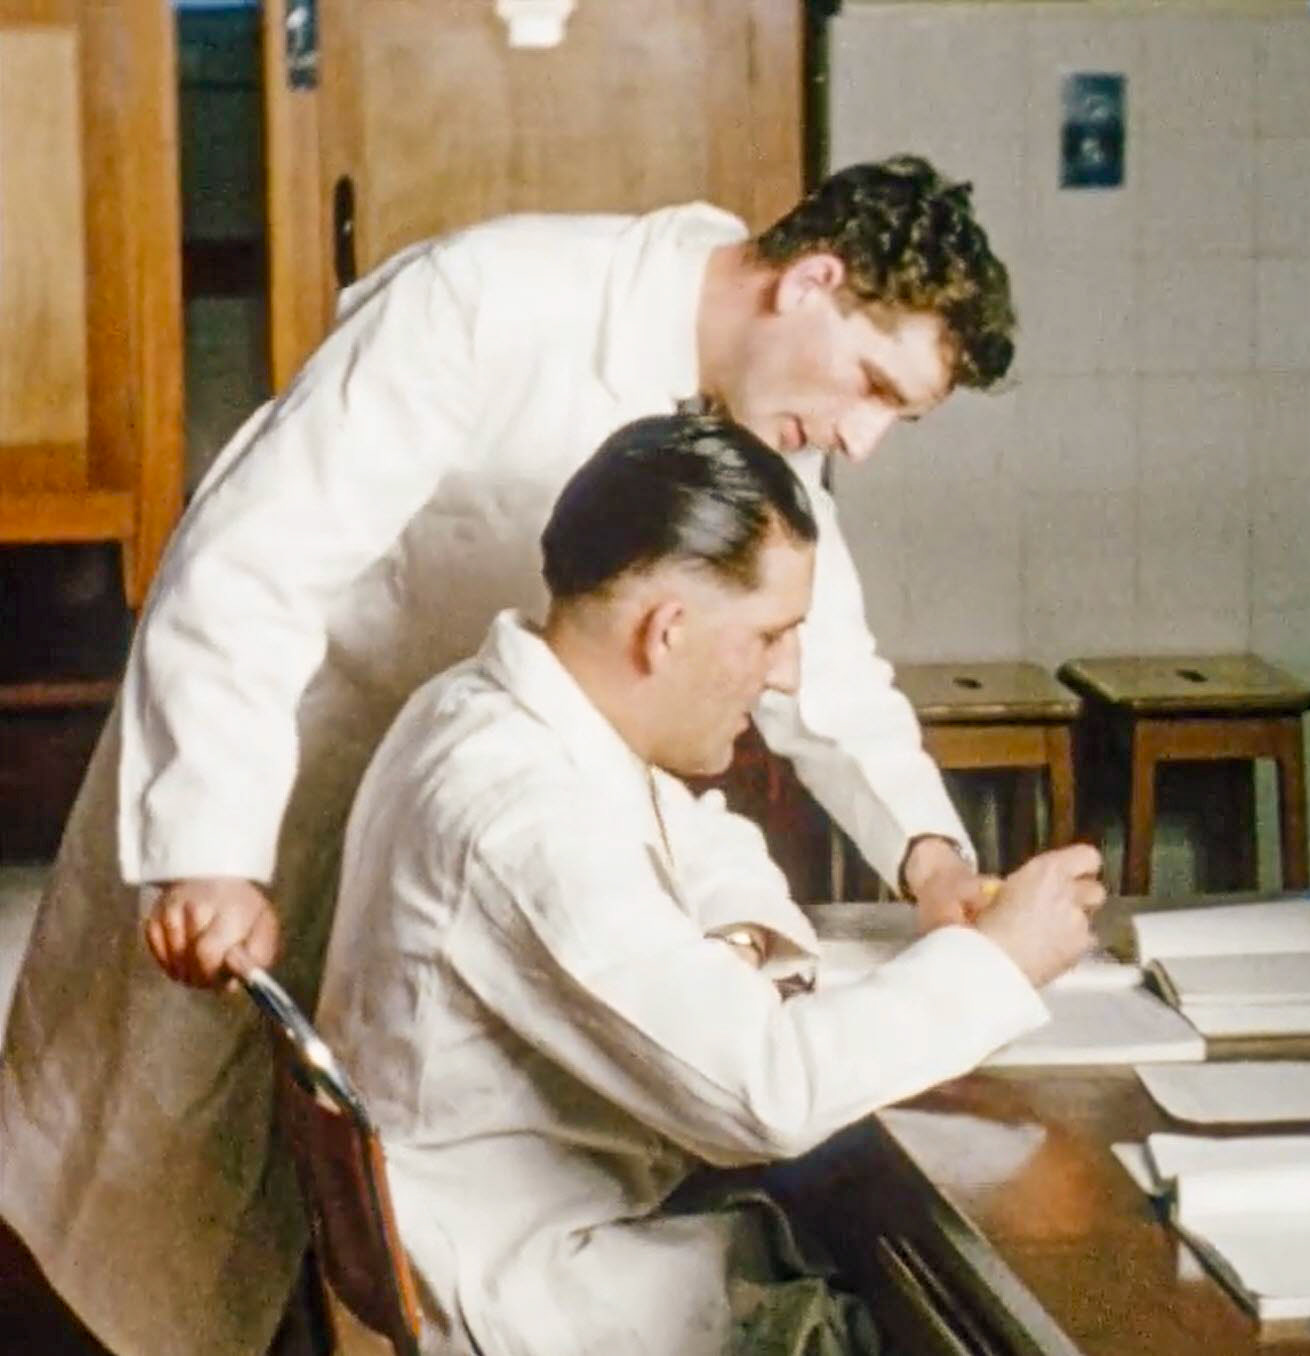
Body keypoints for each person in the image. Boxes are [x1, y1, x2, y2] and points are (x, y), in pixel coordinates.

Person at [0, 156, 1015, 1356]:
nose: (863, 438)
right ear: (812, 282)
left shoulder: (763, 416)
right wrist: (210, 849)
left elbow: (823, 660)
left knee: (352, 1226)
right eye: (873, 386)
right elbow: (251, 559)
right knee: (145, 1229)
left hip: (458, 835)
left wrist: (933, 860)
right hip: (268, 779)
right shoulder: (485, 299)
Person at [316, 415, 1102, 1355]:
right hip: (532, 1297)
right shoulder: (523, 813)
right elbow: (766, 1095)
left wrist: (732, 945)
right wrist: (998, 960)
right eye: (772, 635)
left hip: (524, 1236)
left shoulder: (495, 710)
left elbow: (711, 842)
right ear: (668, 631)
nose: (787, 674)